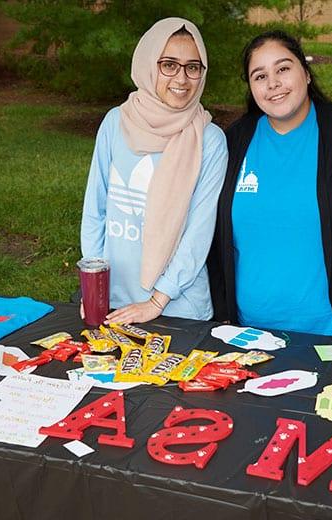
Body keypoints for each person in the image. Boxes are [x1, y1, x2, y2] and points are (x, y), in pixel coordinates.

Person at [208, 30, 332, 340]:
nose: (273, 83)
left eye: (283, 69)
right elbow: (215, 234)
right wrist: (223, 314)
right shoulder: (235, 140)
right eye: (260, 76)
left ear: (307, 74)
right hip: (248, 332)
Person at [81, 18, 227, 325]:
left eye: (193, 67)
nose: (182, 78)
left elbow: (198, 233)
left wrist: (156, 301)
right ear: (148, 63)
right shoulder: (115, 122)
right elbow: (96, 210)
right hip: (114, 300)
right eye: (169, 64)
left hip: (179, 307)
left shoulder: (210, 140)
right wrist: (93, 286)